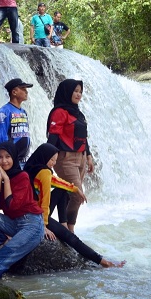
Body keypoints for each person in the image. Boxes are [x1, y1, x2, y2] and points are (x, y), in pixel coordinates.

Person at [23, 143, 125, 268]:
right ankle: (103, 262)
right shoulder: (44, 172)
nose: (54, 163)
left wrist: (76, 189)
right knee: (71, 238)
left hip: (29, 211)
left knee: (61, 190)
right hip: (37, 215)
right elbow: (44, 201)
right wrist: (43, 226)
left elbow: (58, 182)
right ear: (44, 157)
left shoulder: (32, 168)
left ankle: (63, 223)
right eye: (52, 160)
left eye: (55, 160)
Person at [0, 142, 45, 282]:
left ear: (14, 157)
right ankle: (2, 242)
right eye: (0, 157)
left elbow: (13, 206)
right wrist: (0, 180)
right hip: (13, 223)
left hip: (31, 224)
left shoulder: (22, 177)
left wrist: (6, 181)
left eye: (7, 156)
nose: (4, 160)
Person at [46, 79, 94, 233]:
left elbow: (83, 137)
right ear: (67, 92)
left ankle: (65, 227)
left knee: (69, 193)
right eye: (75, 91)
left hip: (81, 157)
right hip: (65, 159)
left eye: (80, 91)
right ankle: (68, 230)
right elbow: (53, 136)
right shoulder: (59, 112)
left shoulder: (78, 113)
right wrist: (46, 158)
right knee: (77, 195)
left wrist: (89, 156)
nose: (79, 94)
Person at [0, 78, 33, 167]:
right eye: (23, 89)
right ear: (14, 92)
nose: (26, 92)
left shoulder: (23, 112)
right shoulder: (4, 111)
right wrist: (6, 157)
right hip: (12, 160)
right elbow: (0, 136)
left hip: (24, 158)